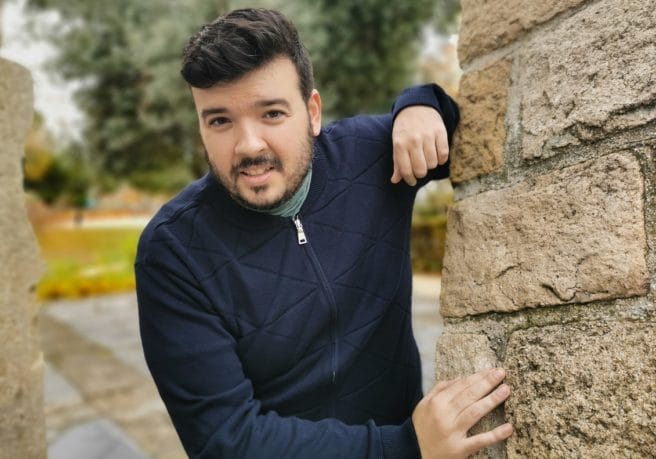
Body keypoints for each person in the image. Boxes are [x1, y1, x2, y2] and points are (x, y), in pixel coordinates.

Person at [135, 8, 513, 458]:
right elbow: (226, 440)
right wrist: (406, 447)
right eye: (220, 121)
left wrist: (422, 103)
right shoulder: (173, 251)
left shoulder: (368, 156)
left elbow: (470, 129)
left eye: (272, 113)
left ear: (312, 112)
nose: (249, 145)